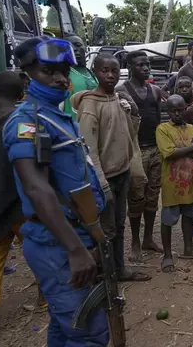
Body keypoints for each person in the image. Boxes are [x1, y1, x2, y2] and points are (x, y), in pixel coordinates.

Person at [3, 36, 109, 346]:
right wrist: (75, 249)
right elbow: (37, 189)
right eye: (49, 72)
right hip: (58, 245)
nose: (61, 79)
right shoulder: (27, 122)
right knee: (89, 333)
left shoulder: (58, 115)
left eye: (64, 71)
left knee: (67, 327)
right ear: (26, 75)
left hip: (75, 236)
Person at [71, 54, 151, 282]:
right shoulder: (89, 105)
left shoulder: (116, 99)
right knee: (105, 230)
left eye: (114, 71)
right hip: (103, 178)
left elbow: (128, 135)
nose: (110, 75)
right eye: (104, 70)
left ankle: (119, 269)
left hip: (122, 173)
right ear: (94, 71)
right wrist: (103, 184)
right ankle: (105, 276)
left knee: (118, 225)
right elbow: (89, 151)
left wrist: (133, 110)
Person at [115, 50, 163, 261]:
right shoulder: (121, 90)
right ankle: (135, 241)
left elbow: (159, 120)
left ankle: (148, 238)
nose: (145, 68)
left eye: (147, 64)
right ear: (130, 68)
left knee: (153, 196)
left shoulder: (154, 90)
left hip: (155, 148)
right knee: (136, 197)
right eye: (140, 65)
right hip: (135, 151)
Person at [156, 95, 193, 271]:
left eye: (180, 110)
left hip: (192, 181)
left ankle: (188, 248)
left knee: (189, 215)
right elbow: (168, 153)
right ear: (168, 112)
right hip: (172, 183)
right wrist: (191, 147)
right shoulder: (162, 129)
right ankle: (168, 255)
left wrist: (184, 150)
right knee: (168, 219)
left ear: (185, 109)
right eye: (173, 111)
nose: (177, 114)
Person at [0, 71, 25, 339]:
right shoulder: (25, 120)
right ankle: (44, 298)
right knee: (41, 250)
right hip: (25, 202)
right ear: (22, 94)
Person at [62, 34, 97, 120]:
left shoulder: (89, 72)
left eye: (78, 45)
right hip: (74, 126)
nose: (74, 49)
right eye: (69, 47)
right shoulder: (63, 75)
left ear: (85, 48)